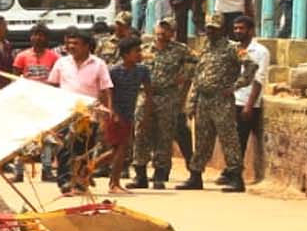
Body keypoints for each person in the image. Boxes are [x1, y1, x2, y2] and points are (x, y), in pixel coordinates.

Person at [177, 13, 251, 192]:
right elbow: (197, 75)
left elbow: (250, 66)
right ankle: (195, 176)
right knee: (202, 139)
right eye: (208, 28)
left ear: (222, 30)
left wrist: (236, 86)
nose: (210, 32)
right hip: (203, 99)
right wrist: (191, 102)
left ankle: (235, 177)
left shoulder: (233, 48)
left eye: (214, 29)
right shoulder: (204, 49)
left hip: (222, 99)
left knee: (229, 138)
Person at [132, 19, 195, 190]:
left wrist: (184, 80)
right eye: (160, 28)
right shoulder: (144, 49)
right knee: (141, 134)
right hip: (145, 97)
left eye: (166, 29)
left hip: (168, 97)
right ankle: (140, 175)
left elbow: (196, 65)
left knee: (164, 137)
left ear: (172, 33)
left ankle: (160, 174)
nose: (161, 32)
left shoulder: (180, 50)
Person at [49, 31, 112, 193]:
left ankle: (80, 181)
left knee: (84, 149)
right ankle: (64, 182)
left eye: (75, 43)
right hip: (65, 113)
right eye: (69, 43)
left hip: (89, 114)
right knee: (64, 148)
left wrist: (107, 113)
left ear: (86, 45)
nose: (71, 46)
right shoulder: (61, 63)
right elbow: (52, 86)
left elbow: (105, 90)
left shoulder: (98, 64)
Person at [13, 23, 61, 180]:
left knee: (47, 137)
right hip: (27, 102)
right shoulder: (22, 56)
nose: (38, 38)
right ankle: (18, 171)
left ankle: (46, 170)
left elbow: (58, 79)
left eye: (41, 35)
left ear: (46, 38)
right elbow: (15, 78)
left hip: (47, 102)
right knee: (22, 136)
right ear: (31, 37)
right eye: (35, 34)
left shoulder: (54, 57)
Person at [104, 38, 148, 194]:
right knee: (120, 148)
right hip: (116, 113)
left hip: (130, 113)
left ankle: (87, 166)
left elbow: (148, 92)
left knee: (120, 149)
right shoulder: (113, 71)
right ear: (125, 54)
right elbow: (108, 93)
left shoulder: (142, 70)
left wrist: (147, 114)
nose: (139, 54)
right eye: (136, 51)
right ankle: (113, 183)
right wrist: (113, 113)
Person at [231, 12, 270, 183]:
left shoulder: (261, 51)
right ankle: (230, 171)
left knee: (241, 139)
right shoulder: (233, 49)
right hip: (232, 99)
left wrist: (249, 105)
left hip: (247, 101)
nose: (238, 31)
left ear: (251, 30)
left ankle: (236, 176)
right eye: (235, 28)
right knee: (231, 139)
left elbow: (258, 79)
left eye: (241, 28)